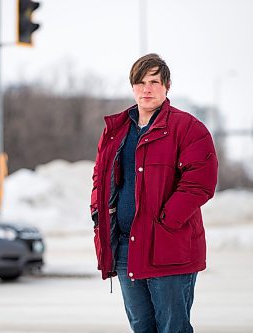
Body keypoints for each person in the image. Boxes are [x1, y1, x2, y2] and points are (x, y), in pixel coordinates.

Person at [90, 53, 218, 333]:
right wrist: (98, 214)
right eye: (140, 82)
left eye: (154, 82)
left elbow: (200, 183)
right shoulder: (116, 131)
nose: (146, 89)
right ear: (132, 87)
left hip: (169, 247)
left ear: (167, 86)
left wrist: (167, 220)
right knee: (142, 327)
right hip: (125, 247)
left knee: (173, 327)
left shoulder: (188, 129)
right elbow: (100, 178)